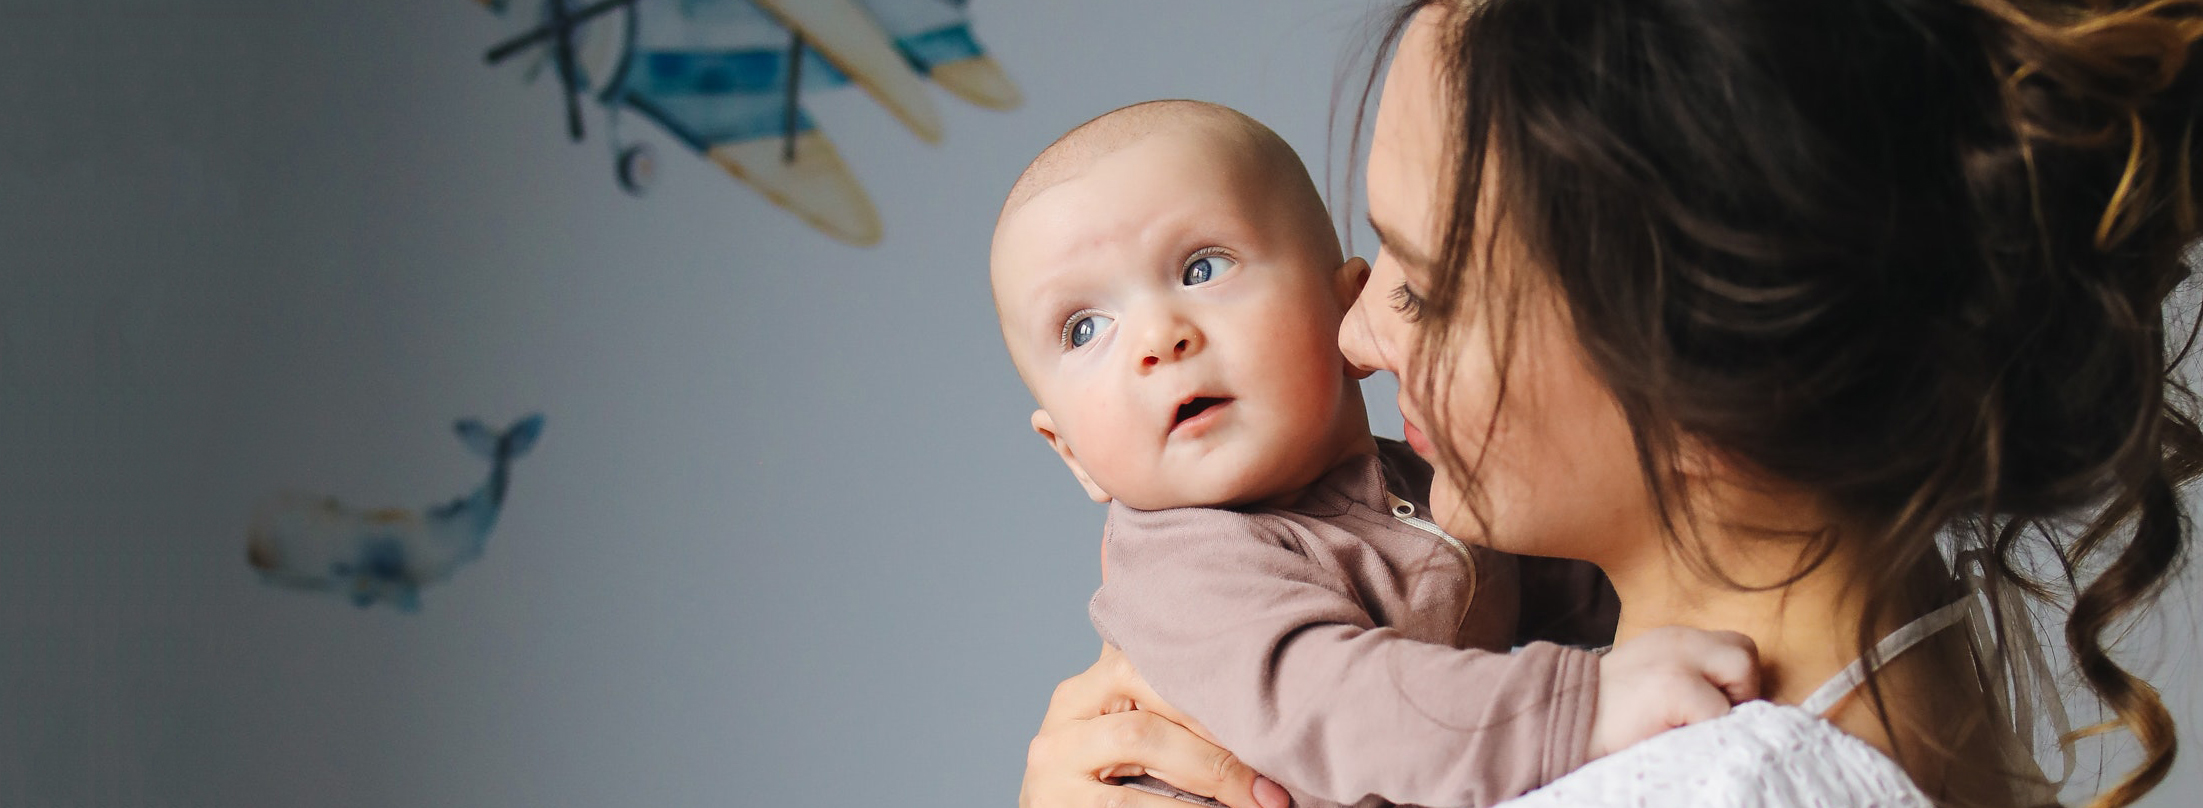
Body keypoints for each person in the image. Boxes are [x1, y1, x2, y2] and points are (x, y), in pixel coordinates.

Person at [1017, 1, 2203, 808]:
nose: (1356, 338)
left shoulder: (1723, 778)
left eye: (1421, 287)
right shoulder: (1889, 649)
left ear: (1691, 365)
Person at [990, 100, 1764, 808]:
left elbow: (1580, 579)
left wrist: (1723, 577)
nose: (1158, 339)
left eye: (1202, 268)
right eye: (1083, 329)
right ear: (1070, 454)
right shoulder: (1185, 568)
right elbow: (1337, 704)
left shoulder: (1420, 484)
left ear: (1347, 305)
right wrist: (1581, 705)